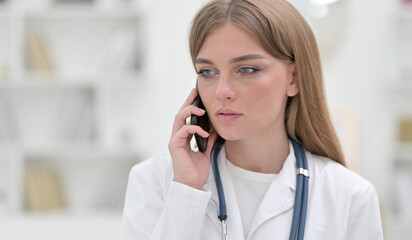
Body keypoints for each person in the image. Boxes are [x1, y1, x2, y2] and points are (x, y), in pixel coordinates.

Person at [123, 0, 384, 239]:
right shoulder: (155, 180)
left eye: (247, 69)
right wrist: (186, 192)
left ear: (293, 79)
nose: (222, 91)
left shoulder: (350, 196)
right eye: (207, 72)